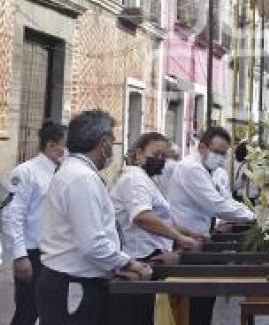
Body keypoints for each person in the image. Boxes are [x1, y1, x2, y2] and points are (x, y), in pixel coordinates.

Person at [36, 110, 152, 324]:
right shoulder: (81, 178)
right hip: (72, 285)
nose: (113, 149)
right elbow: (92, 244)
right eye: (113, 142)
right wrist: (129, 264)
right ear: (104, 143)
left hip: (73, 281)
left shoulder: (76, 172)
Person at [108, 132, 203, 325]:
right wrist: (179, 237)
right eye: (156, 154)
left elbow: (162, 219)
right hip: (139, 258)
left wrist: (191, 233)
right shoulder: (134, 178)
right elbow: (142, 217)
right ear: (139, 153)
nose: (159, 160)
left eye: (163, 156)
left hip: (150, 260)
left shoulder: (146, 179)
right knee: (136, 316)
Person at [165, 126, 255, 325]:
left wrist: (245, 215)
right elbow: (215, 205)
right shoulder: (191, 168)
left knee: (205, 307)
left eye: (224, 153)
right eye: (218, 152)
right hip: (188, 246)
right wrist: (252, 217)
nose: (221, 157)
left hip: (203, 242)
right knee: (194, 309)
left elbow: (225, 200)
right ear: (203, 147)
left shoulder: (210, 170)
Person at [1, 121, 67, 325]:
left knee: (52, 313)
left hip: (57, 255)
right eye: (66, 144)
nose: (69, 150)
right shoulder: (25, 172)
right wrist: (19, 256)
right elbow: (12, 215)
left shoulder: (65, 173)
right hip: (33, 256)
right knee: (27, 313)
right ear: (51, 145)